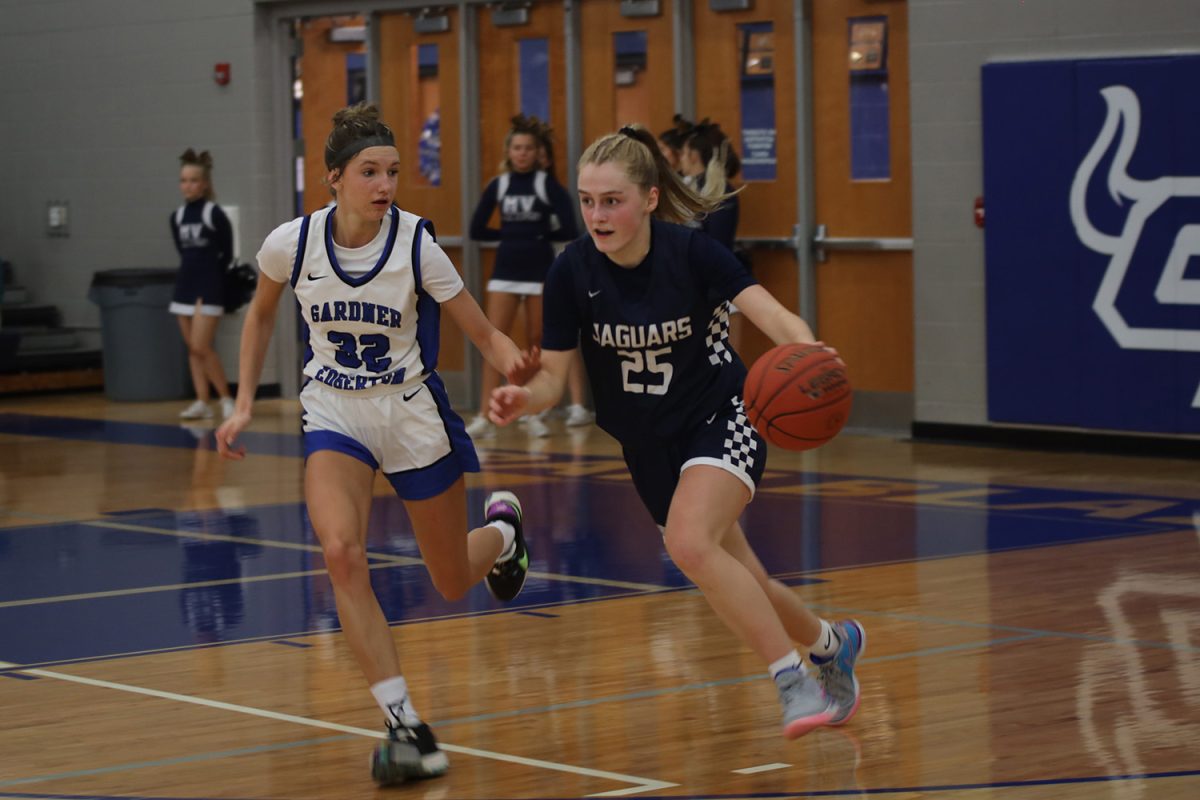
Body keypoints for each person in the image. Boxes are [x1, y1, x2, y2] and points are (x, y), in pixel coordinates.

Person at [488, 125, 866, 740]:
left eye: (612, 200)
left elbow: (772, 315)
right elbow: (554, 378)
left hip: (722, 415)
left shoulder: (693, 254)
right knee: (742, 577)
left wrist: (811, 353)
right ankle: (831, 644)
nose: (597, 214)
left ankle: (793, 681)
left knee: (690, 545)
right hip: (646, 445)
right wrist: (522, 398)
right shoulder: (570, 272)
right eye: (587, 200)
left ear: (650, 199)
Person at [215, 103, 535, 786]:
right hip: (334, 410)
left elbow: (483, 332)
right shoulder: (290, 244)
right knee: (340, 552)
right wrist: (243, 403)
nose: (384, 183)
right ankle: (403, 724)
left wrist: (518, 371)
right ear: (334, 177)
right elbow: (261, 314)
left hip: (411, 413)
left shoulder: (416, 244)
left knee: (449, 578)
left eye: (392, 171)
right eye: (369, 171)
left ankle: (504, 536)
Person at [465, 115, 579, 438]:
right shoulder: (499, 184)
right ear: (509, 151)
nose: (522, 153)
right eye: (517, 148)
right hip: (505, 271)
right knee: (492, 339)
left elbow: (571, 225)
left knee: (537, 342)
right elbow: (476, 228)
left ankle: (536, 412)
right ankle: (485, 414)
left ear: (538, 152)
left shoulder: (546, 185)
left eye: (528, 148)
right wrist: (511, 233)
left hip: (540, 271)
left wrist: (536, 233)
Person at [534, 120, 594, 428]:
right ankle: (543, 400)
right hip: (537, 265)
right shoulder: (521, 186)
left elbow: (570, 227)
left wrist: (543, 233)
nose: (536, 159)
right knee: (551, 339)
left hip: (560, 257)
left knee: (571, 337)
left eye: (541, 154)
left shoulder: (554, 189)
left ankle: (578, 403)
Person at [170, 148, 236, 420]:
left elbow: (227, 253)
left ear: (205, 183)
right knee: (192, 349)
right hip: (184, 286)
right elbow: (183, 252)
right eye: (184, 180)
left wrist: (212, 288)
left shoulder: (214, 214)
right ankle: (201, 401)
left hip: (209, 288)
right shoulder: (176, 217)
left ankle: (226, 398)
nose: (188, 186)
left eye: (193, 180)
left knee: (201, 346)